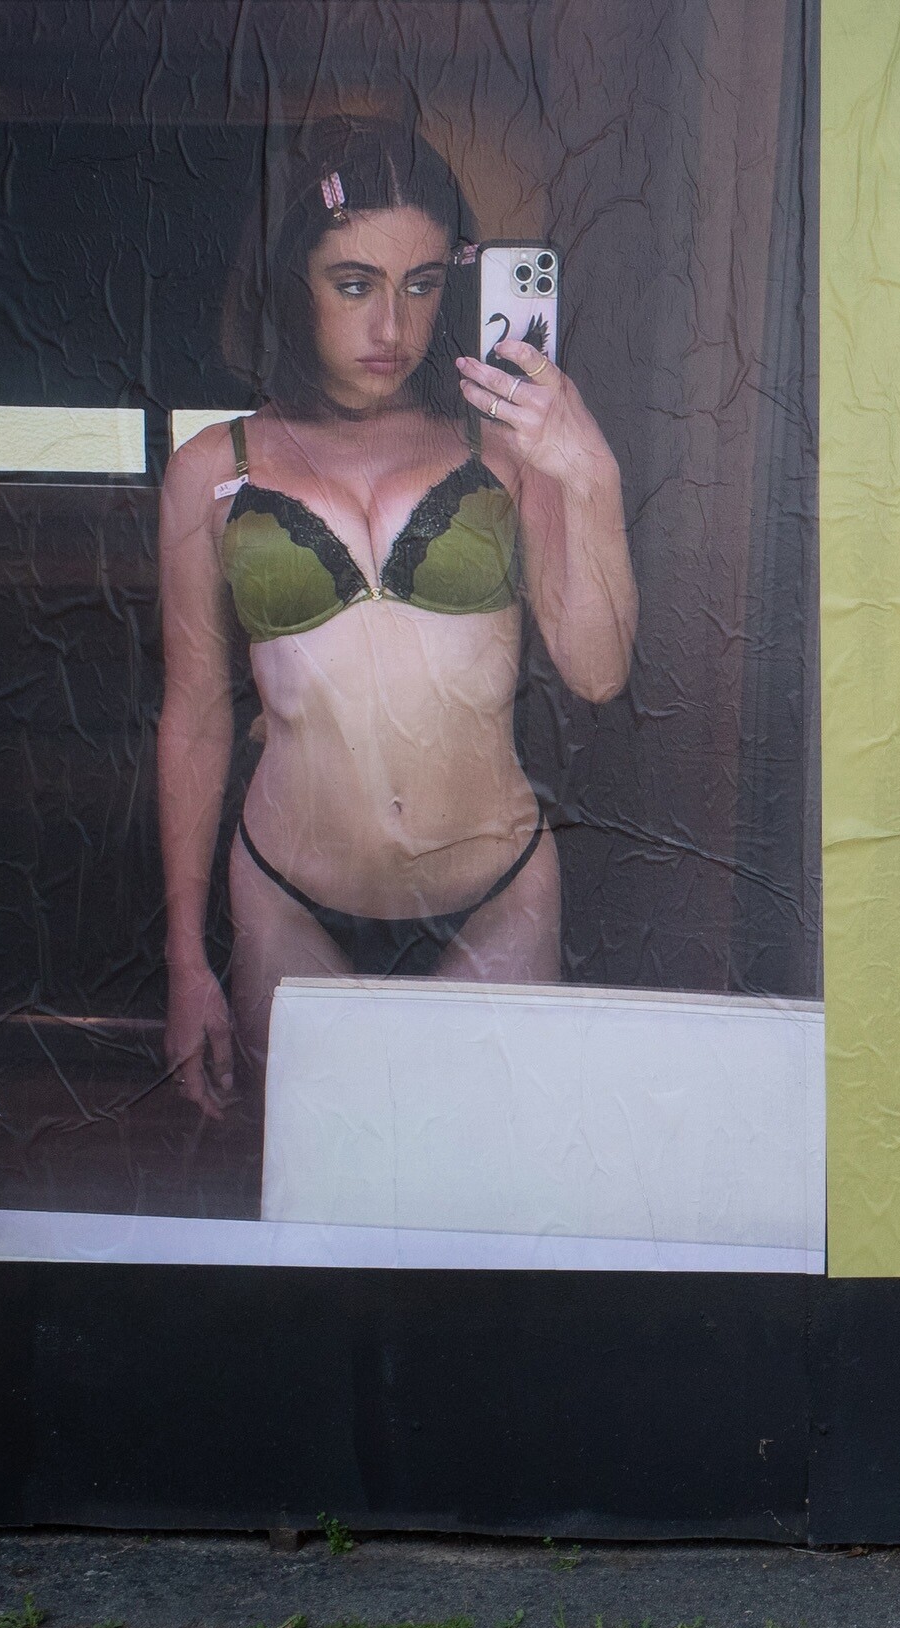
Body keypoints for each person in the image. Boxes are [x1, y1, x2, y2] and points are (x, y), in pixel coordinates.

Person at [158, 119, 637, 1116]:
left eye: (420, 285)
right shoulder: (211, 468)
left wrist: (590, 475)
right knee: (316, 1193)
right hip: (288, 900)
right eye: (354, 284)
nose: (392, 326)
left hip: (497, 895)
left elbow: (597, 672)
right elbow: (196, 717)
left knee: (490, 1190)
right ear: (294, 283)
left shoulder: (506, 449)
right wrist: (184, 961)